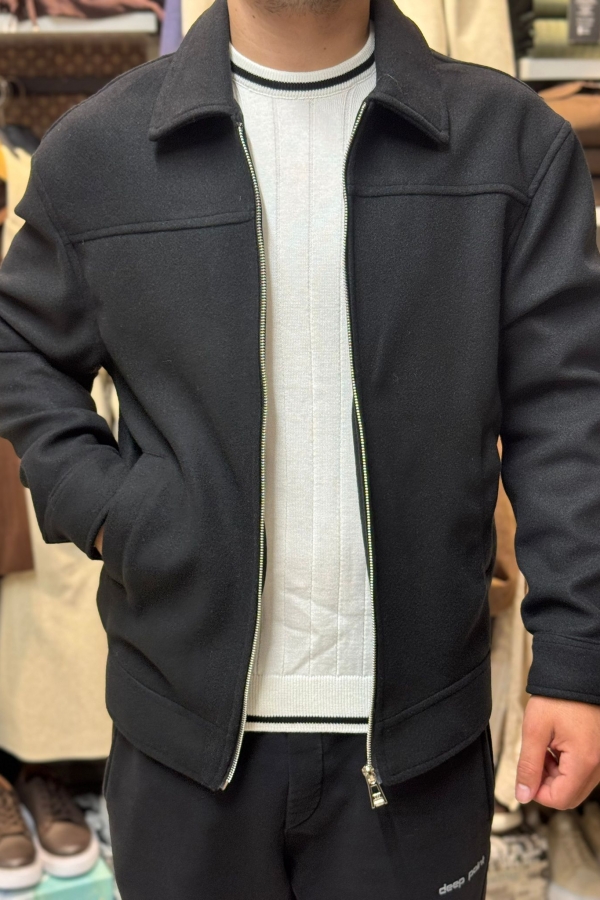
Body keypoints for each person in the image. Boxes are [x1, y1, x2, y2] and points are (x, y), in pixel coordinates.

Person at [1, 0, 600, 894]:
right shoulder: (100, 151)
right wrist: (114, 512)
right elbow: (21, 348)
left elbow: (568, 410)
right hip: (182, 744)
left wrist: (578, 659)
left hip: (420, 744)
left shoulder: (510, 144)